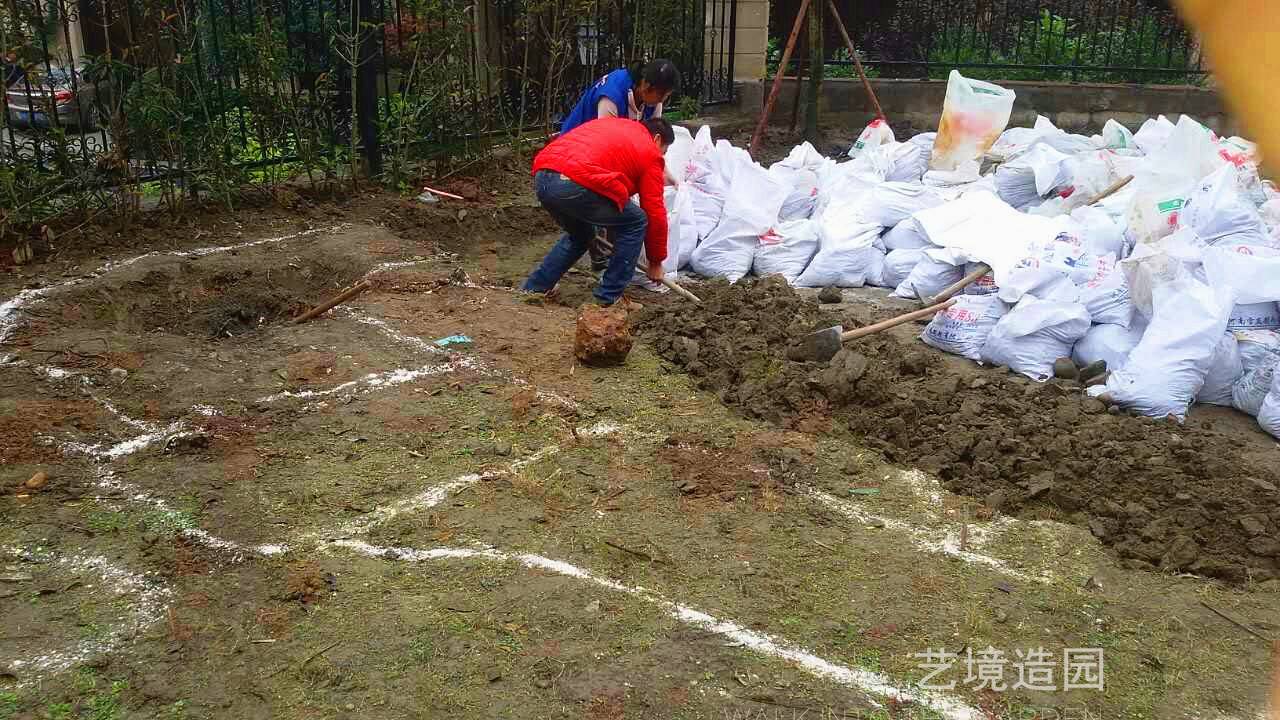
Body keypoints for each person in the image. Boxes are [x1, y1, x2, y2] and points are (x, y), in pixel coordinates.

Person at [522, 117, 674, 308]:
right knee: (636, 221)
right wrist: (656, 261)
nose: (662, 156)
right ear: (657, 139)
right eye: (665, 151)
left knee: (580, 234)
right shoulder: (650, 151)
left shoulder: (619, 125)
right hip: (575, 180)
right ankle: (608, 298)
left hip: (544, 176)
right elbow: (654, 211)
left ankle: (535, 288)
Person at [560, 60, 680, 272]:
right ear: (645, 86)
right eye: (661, 95)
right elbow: (605, 146)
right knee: (609, 205)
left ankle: (606, 254)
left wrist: (665, 173)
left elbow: (652, 144)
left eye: (666, 96)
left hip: (603, 152)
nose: (662, 100)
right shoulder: (611, 97)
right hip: (578, 152)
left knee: (618, 206)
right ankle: (602, 258)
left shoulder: (653, 100)